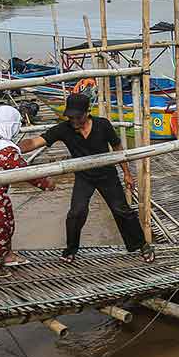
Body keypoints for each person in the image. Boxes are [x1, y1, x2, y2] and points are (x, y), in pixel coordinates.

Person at [17, 93, 153, 263]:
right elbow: (35, 142)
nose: (73, 120)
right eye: (70, 117)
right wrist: (11, 148)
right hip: (84, 177)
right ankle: (71, 249)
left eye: (77, 117)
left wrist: (126, 173)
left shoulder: (103, 125)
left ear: (87, 112)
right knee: (77, 212)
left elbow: (117, 147)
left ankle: (141, 245)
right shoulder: (63, 129)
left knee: (121, 210)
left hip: (107, 174)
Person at [0, 106, 55, 277]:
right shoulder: (7, 151)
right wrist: (47, 183)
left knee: (3, 226)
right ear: (11, 126)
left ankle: (7, 256)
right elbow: (26, 172)